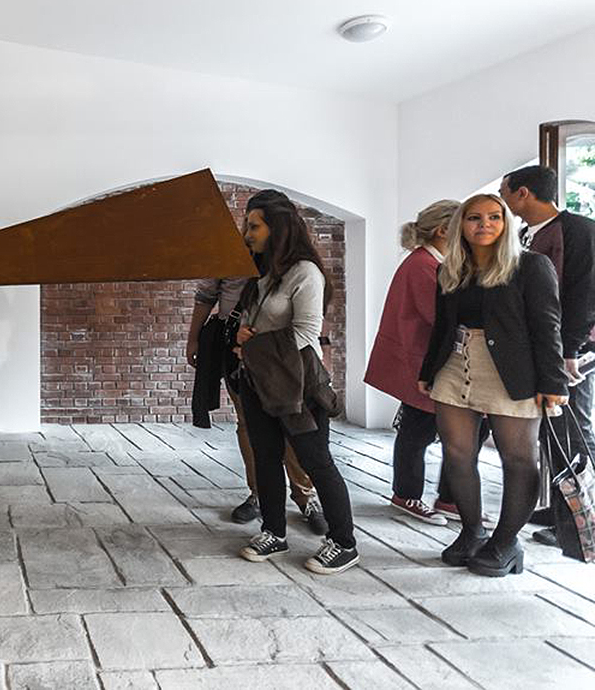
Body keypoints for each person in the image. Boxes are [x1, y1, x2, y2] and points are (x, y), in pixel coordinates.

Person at [418, 194, 569, 576]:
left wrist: (553, 381)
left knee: (517, 458)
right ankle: (472, 532)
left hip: (513, 370)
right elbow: (442, 325)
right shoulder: (451, 268)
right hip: (456, 364)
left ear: (505, 224)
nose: (484, 224)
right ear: (460, 225)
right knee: (456, 454)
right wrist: (428, 370)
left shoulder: (531, 265)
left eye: (494, 217)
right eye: (474, 218)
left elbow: (547, 326)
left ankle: (506, 542)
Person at [234, 193, 359, 575]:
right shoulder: (262, 272)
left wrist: (252, 343)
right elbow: (253, 322)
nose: (247, 233)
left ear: (278, 227)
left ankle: (344, 543)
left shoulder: (305, 272)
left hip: (299, 384)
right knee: (266, 456)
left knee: (316, 461)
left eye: (254, 226)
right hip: (259, 380)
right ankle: (273, 532)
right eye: (248, 225)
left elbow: (306, 333)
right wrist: (243, 334)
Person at [500, 165, 595, 552]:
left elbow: (584, 294)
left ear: (523, 193)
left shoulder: (579, 231)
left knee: (573, 430)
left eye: (505, 193)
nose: (502, 200)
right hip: (547, 349)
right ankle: (560, 507)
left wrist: (570, 351)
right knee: (553, 431)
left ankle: (579, 518)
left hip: (573, 353)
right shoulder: (528, 233)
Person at [186, 275, 327, 534]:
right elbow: (206, 293)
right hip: (236, 342)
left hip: (283, 346)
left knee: (292, 421)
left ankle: (305, 495)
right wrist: (193, 338)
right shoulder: (225, 252)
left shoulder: (289, 260)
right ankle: (260, 494)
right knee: (248, 423)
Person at [367, 200, 477, 525]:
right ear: (443, 230)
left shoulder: (428, 261)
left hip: (429, 359)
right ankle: (407, 494)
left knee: (446, 431)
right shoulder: (423, 265)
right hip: (423, 361)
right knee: (418, 431)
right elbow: (439, 316)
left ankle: (448, 498)